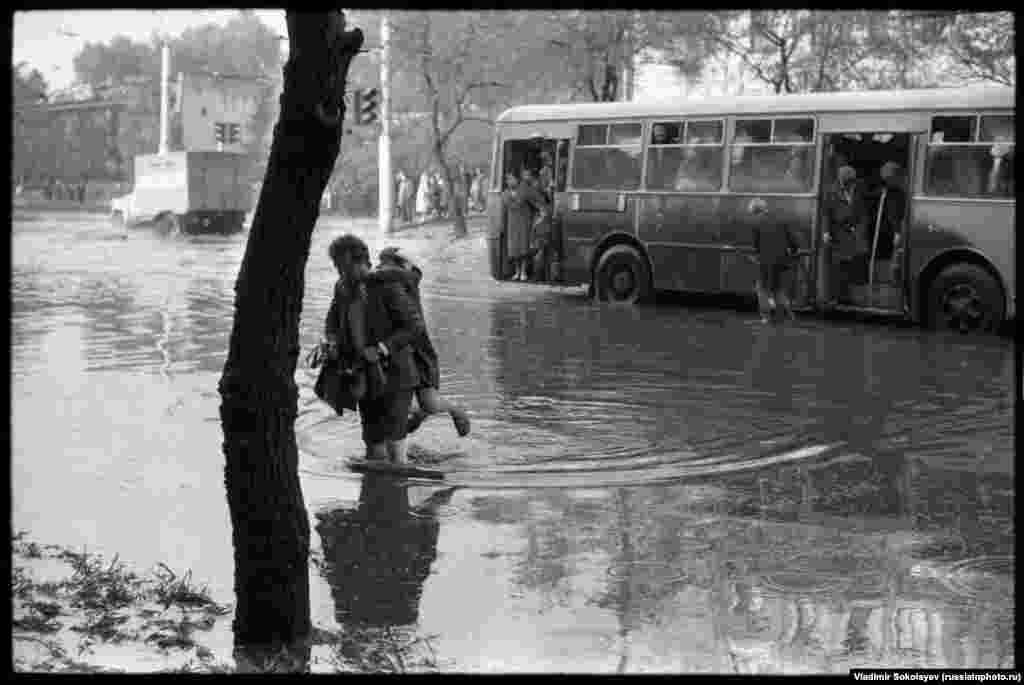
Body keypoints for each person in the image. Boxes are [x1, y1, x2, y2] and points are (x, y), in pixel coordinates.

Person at [324, 234, 425, 465]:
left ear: (362, 263)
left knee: (395, 440)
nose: (341, 273)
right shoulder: (341, 287)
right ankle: (376, 491)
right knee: (372, 441)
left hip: (397, 374)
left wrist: (381, 349)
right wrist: (330, 341)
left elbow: (414, 326)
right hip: (365, 375)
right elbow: (331, 320)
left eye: (345, 267)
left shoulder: (387, 286)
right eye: (337, 268)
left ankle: (399, 474)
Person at [376, 246, 471, 437]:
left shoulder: (408, 281)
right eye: (381, 262)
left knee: (429, 402)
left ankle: (455, 409)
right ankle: (417, 415)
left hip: (419, 353)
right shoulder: (387, 282)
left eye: (386, 263)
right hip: (397, 352)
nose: (381, 267)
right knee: (393, 399)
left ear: (402, 266)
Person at [822, 165, 870, 305]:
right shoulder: (831, 191)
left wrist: (861, 229)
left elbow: (863, 212)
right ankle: (837, 297)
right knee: (839, 266)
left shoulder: (858, 190)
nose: (850, 184)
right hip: (839, 232)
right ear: (841, 180)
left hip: (854, 232)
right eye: (847, 181)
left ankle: (846, 297)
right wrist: (826, 232)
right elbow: (826, 213)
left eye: (851, 181)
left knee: (851, 265)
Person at [749, 197, 801, 323]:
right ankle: (789, 316)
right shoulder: (781, 218)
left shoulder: (756, 222)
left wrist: (756, 256)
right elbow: (794, 241)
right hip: (782, 260)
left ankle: (766, 317)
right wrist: (793, 253)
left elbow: (756, 245)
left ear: (756, 211)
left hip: (765, 262)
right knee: (778, 288)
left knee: (762, 288)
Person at [503, 170, 548, 282]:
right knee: (515, 249)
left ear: (516, 179)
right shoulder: (506, 193)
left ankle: (523, 272)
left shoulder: (525, 190)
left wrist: (542, 211)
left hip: (524, 223)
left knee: (524, 248)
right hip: (512, 224)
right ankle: (517, 272)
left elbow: (537, 200)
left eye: (511, 178)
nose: (509, 181)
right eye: (507, 179)